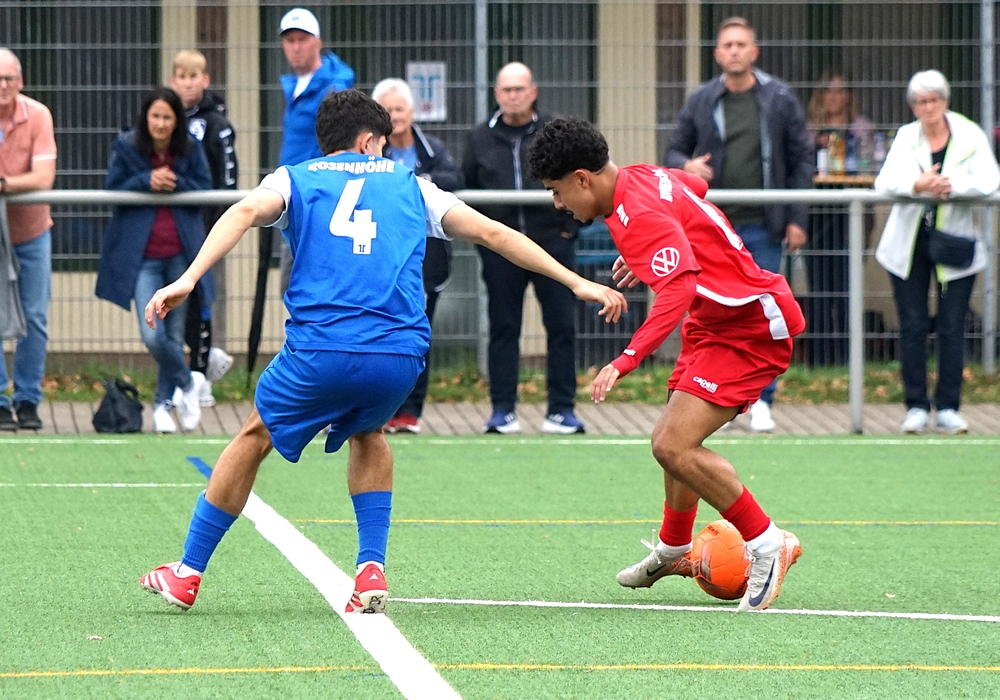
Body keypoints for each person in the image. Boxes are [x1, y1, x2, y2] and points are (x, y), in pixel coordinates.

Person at [138, 90, 625, 614]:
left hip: (321, 350)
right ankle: (371, 567)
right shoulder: (413, 185)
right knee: (368, 431)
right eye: (386, 145)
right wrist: (575, 281)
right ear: (369, 142)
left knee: (255, 434)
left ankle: (188, 571)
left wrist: (189, 278)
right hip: (399, 357)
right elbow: (491, 233)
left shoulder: (294, 178)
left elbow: (245, 210)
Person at [527, 116, 804, 612]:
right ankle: (675, 548)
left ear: (582, 179)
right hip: (713, 322)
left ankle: (766, 543)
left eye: (557, 190)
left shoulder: (636, 213)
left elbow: (677, 288)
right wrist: (661, 251)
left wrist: (625, 359)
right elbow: (693, 188)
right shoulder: (640, 175)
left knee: (671, 444)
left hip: (749, 325)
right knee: (674, 441)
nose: (558, 203)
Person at [663, 16, 813, 432]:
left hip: (766, 223)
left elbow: (802, 159)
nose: (734, 51)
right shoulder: (701, 100)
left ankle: (763, 399)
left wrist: (797, 217)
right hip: (713, 231)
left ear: (754, 52)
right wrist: (686, 165)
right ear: (717, 54)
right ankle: (720, 399)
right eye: (727, 45)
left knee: (763, 318)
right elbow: (672, 151)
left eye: (741, 44)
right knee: (714, 317)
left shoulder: (779, 98)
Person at [874, 70, 1000, 435]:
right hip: (909, 244)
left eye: (935, 100)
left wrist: (950, 185)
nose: (929, 108)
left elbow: (990, 181)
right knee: (912, 325)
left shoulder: (970, 134)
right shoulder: (905, 136)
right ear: (913, 106)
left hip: (955, 243)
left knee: (952, 326)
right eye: (921, 102)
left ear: (946, 101)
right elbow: (885, 182)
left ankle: (948, 407)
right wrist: (918, 184)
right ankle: (915, 406)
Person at [463, 61, 584, 435]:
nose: (513, 96)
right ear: (496, 94)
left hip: (552, 242)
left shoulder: (553, 132)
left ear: (533, 92)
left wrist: (568, 230)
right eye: (506, 90)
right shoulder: (479, 137)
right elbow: (467, 189)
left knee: (562, 325)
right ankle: (502, 410)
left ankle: (561, 410)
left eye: (519, 89)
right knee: (503, 327)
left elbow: (579, 182)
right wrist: (485, 239)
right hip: (501, 249)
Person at [96, 87, 213, 434]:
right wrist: (145, 180)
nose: (160, 124)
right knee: (153, 335)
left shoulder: (190, 148)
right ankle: (189, 383)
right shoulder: (126, 146)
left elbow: (205, 187)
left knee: (174, 335)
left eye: (167, 117)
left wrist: (176, 183)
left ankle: (163, 406)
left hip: (182, 254)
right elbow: (112, 188)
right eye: (155, 116)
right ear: (145, 118)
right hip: (143, 257)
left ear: (176, 121)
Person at [372, 77, 463, 434]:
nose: (395, 116)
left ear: (412, 112)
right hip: (381, 256)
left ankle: (411, 410)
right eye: (388, 110)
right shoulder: (371, 150)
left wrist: (417, 179)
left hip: (426, 259)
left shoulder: (432, 148)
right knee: (382, 333)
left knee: (418, 334)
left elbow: (453, 178)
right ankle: (381, 409)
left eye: (400, 109)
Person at [170, 49, 237, 407]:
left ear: (205, 80)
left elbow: (227, 176)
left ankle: (201, 374)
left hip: (206, 228)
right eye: (181, 76)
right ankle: (195, 367)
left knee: (202, 298)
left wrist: (220, 220)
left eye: (193, 76)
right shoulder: (165, 116)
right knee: (176, 300)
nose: (187, 83)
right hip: (172, 227)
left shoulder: (216, 123)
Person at [276, 7, 355, 296]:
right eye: (290, 40)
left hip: (317, 199)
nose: (296, 47)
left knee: (304, 287)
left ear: (318, 42)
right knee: (292, 288)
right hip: (294, 197)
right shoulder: (295, 86)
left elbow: (340, 143)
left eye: (303, 39)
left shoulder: (334, 87)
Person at [0, 48, 57, 432]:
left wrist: (4, 185)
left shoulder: (38, 115)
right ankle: (0, 402)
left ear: (20, 81)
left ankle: (27, 399)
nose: (3, 86)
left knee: (34, 318)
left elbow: (43, 178)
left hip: (33, 232)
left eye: (9, 78)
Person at [804, 72, 875, 366]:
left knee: (846, 287)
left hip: (850, 214)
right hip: (815, 213)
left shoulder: (861, 128)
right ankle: (819, 362)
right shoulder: (808, 130)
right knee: (818, 289)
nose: (833, 97)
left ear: (849, 96)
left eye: (840, 91)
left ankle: (849, 362)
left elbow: (870, 166)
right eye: (828, 91)